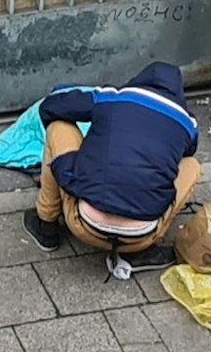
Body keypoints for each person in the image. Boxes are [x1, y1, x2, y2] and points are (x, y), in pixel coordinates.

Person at [23, 62, 201, 269]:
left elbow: (52, 107)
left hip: (82, 225)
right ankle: (142, 252)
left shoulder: (114, 97)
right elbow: (186, 153)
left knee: (59, 126)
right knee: (191, 166)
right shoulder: (187, 123)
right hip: (142, 237)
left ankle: (46, 225)